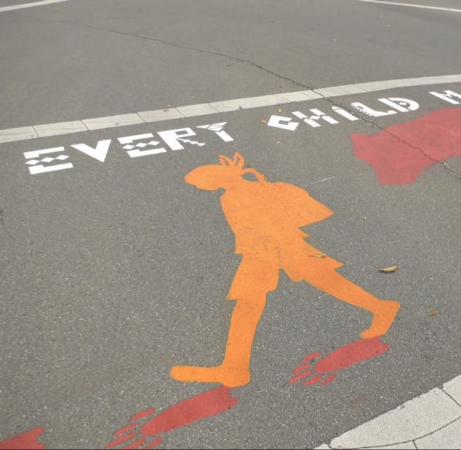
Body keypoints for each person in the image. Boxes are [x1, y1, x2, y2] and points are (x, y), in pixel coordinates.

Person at [171, 153, 400, 388]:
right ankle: (381, 308)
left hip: (270, 251)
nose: (199, 186)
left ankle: (234, 368)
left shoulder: (234, 197)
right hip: (279, 247)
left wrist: (262, 254)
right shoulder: (247, 191)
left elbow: (250, 232)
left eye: (199, 181)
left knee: (251, 301)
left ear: (214, 178)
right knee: (320, 282)